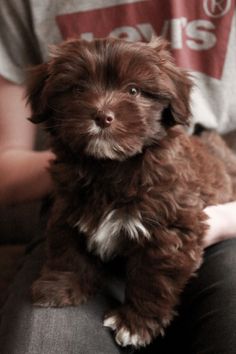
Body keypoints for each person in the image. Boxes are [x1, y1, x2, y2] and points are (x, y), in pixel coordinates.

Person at [0, 1, 235, 353]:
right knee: (41, 340)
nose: (102, 108)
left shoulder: (168, 182)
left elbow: (178, 238)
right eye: (79, 90)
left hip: (221, 226)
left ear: (172, 104)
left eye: (134, 91)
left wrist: (219, 221)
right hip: (71, 197)